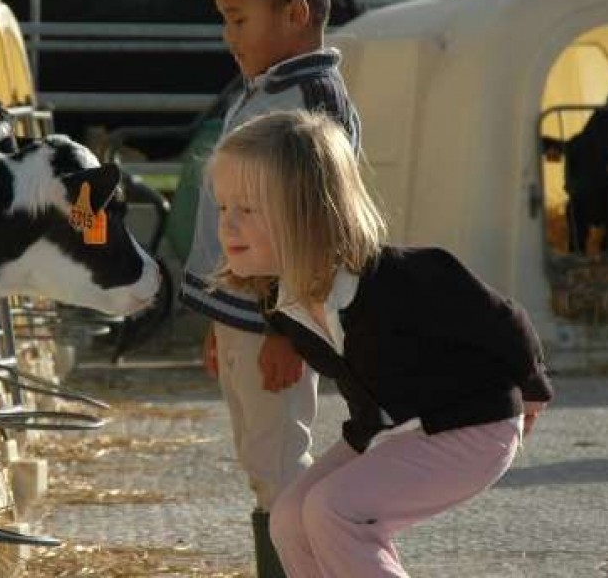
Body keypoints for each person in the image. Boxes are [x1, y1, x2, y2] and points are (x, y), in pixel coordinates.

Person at [209, 110, 554, 577]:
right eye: (222, 208)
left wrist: (532, 388)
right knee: (290, 516)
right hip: (389, 431)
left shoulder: (402, 279)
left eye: (246, 210)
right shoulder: (281, 300)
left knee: (334, 510)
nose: (227, 226)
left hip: (473, 424)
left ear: (308, 212)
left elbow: (503, 319)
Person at [178, 0, 362, 577]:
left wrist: (291, 327)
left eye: (239, 19)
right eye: (224, 21)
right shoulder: (266, 90)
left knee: (280, 460)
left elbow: (318, 224)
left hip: (278, 319)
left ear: (296, 12)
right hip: (249, 314)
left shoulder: (309, 101)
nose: (230, 38)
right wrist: (219, 314)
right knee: (263, 459)